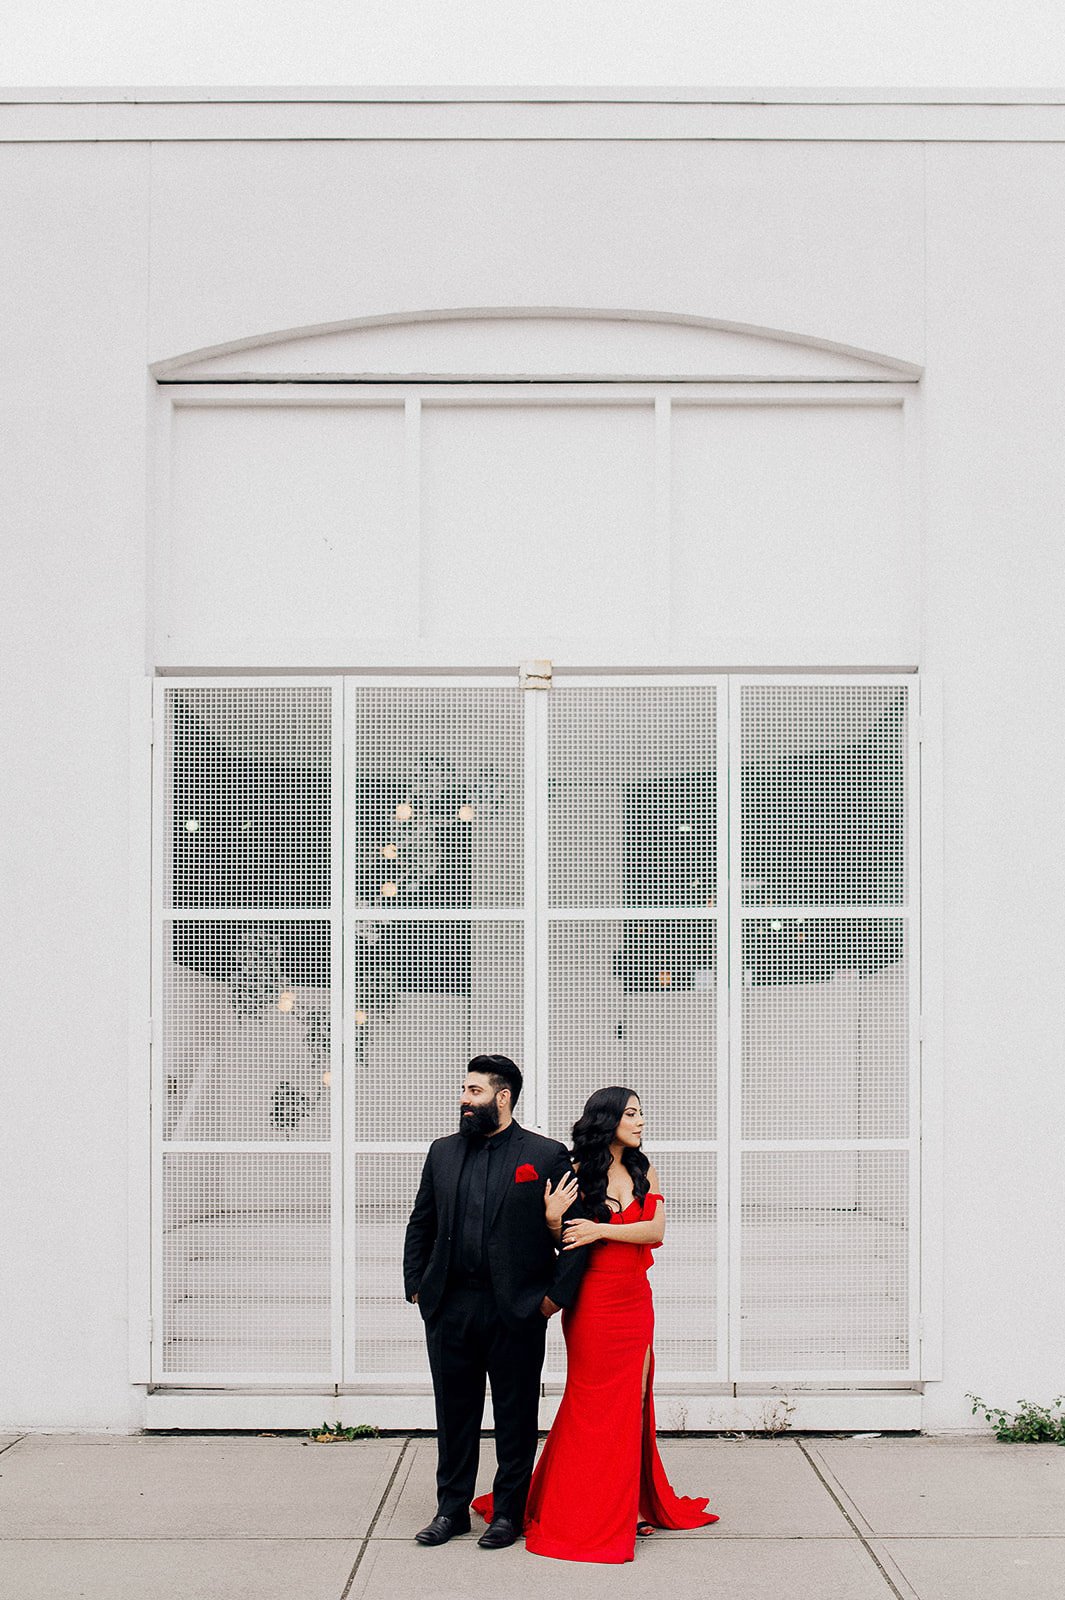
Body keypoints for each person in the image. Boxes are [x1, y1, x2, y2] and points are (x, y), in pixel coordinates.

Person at [473, 1085, 719, 1563]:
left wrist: (603, 1228)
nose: (641, 1122)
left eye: (642, 1113)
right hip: (593, 1304)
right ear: (608, 1120)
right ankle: (582, 1509)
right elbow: (562, 1238)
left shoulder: (644, 1170)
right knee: (590, 1403)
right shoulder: (579, 1172)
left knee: (634, 1402)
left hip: (635, 1302)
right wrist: (550, 1219)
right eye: (631, 1114)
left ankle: (629, 1504)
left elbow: (655, 1230)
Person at [403, 1053, 588, 1550]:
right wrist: (417, 1285)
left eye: (474, 1091)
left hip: (517, 1309)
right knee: (454, 1414)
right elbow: (421, 1223)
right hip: (450, 1306)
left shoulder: (545, 1155)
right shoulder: (441, 1152)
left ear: (502, 1097)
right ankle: (451, 1511)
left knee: (515, 1415)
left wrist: (552, 1299)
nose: (464, 1099)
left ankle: (507, 1513)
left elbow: (576, 1232)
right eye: (464, 1090)